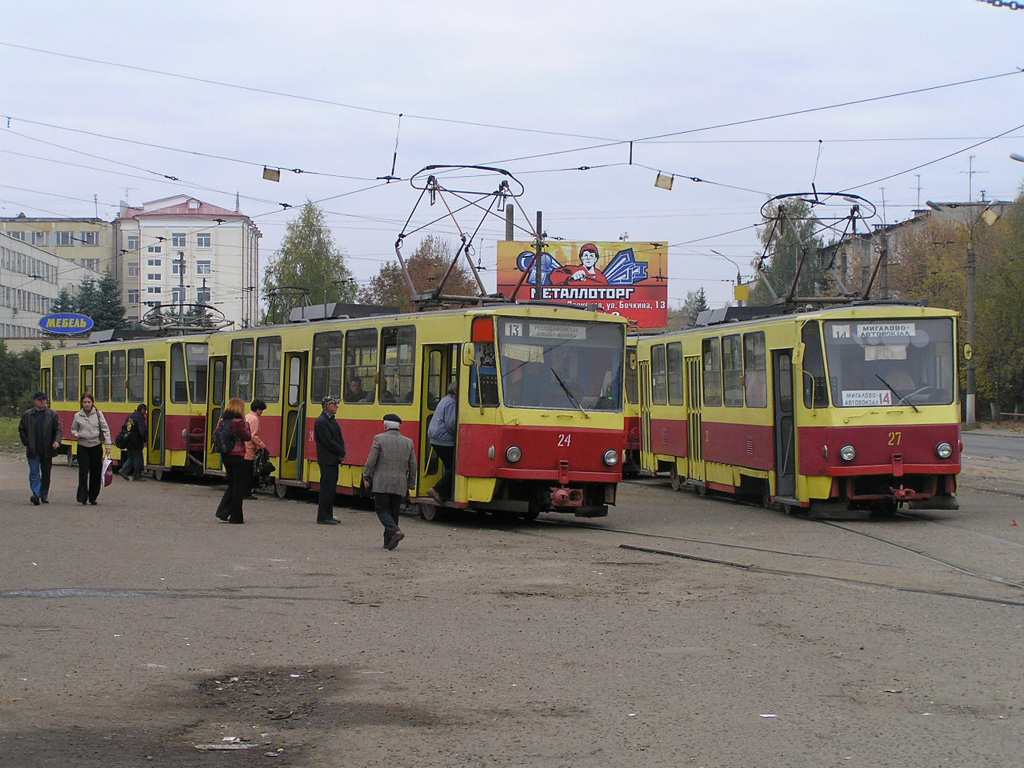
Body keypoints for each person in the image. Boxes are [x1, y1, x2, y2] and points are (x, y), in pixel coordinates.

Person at [363, 413, 416, 550]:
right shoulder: (408, 442)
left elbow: (371, 461)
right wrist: (410, 484)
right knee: (393, 511)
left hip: (382, 482)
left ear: (385, 425)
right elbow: (413, 465)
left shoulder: (379, 439)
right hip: (400, 483)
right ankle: (388, 543)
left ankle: (395, 531)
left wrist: (366, 476)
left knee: (381, 509)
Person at [19, 391, 62, 506]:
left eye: (44, 399)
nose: (42, 402)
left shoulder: (52, 414)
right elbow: (21, 429)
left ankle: (44, 494)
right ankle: (36, 494)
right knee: (34, 473)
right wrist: (26, 442)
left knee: (46, 473)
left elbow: (58, 429)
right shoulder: (28, 415)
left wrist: (57, 441)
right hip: (33, 448)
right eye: (40, 400)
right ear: (35, 401)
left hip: (47, 448)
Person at [214, 397, 252, 524]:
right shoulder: (239, 422)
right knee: (238, 485)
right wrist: (246, 423)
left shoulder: (223, 421)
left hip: (226, 455)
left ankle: (223, 512)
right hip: (237, 455)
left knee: (232, 483)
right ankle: (236, 517)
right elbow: (247, 437)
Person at [70, 393, 112, 506]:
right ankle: (82, 497)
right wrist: (76, 434)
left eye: (89, 402)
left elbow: (105, 429)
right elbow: (73, 429)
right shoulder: (77, 416)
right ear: (82, 404)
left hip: (96, 446)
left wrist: (108, 445)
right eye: (84, 402)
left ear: (92, 403)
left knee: (95, 472)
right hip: (83, 446)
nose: (87, 404)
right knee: (83, 472)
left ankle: (93, 497)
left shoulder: (98, 414)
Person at [314, 395, 346, 525]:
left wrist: (341, 451)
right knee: (327, 488)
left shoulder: (331, 420)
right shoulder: (322, 421)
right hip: (327, 459)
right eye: (334, 405)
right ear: (327, 407)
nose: (337, 407)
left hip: (332, 459)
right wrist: (341, 451)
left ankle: (328, 514)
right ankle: (323, 516)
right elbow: (328, 441)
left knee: (331, 488)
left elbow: (336, 438)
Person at [427, 379, 458, 504]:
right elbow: (451, 424)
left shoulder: (445, 400)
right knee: (455, 467)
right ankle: (437, 490)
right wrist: (458, 436)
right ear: (456, 391)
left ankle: (446, 493)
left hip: (436, 438)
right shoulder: (452, 403)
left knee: (449, 465)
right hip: (444, 439)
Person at [244, 398, 268, 498]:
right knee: (249, 472)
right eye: (261, 410)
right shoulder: (254, 419)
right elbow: (253, 435)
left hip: (244, 447)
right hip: (249, 449)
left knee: (245, 472)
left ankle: (245, 492)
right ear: (257, 409)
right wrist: (262, 445)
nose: (262, 412)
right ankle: (247, 493)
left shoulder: (246, 417)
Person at [118, 403, 149, 481]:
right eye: (145, 410)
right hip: (136, 441)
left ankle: (123, 470)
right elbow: (142, 430)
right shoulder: (140, 417)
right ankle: (137, 476)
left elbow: (124, 427)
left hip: (128, 441)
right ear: (142, 410)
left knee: (131, 457)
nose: (145, 412)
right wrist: (145, 440)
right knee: (138, 459)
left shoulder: (130, 416)